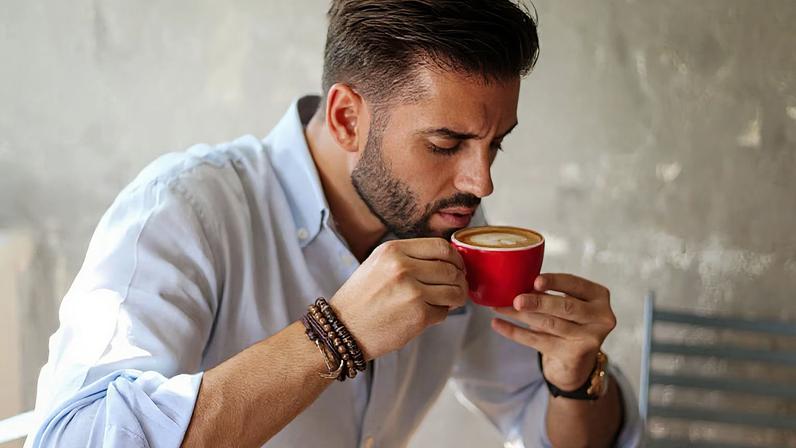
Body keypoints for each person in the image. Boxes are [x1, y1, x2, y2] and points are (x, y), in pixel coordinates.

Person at [27, 1, 642, 446]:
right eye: (445, 143)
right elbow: (77, 436)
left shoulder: (446, 221)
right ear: (347, 118)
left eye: (495, 144)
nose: (481, 183)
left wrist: (573, 381)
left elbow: (543, 424)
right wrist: (333, 335)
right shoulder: (185, 210)